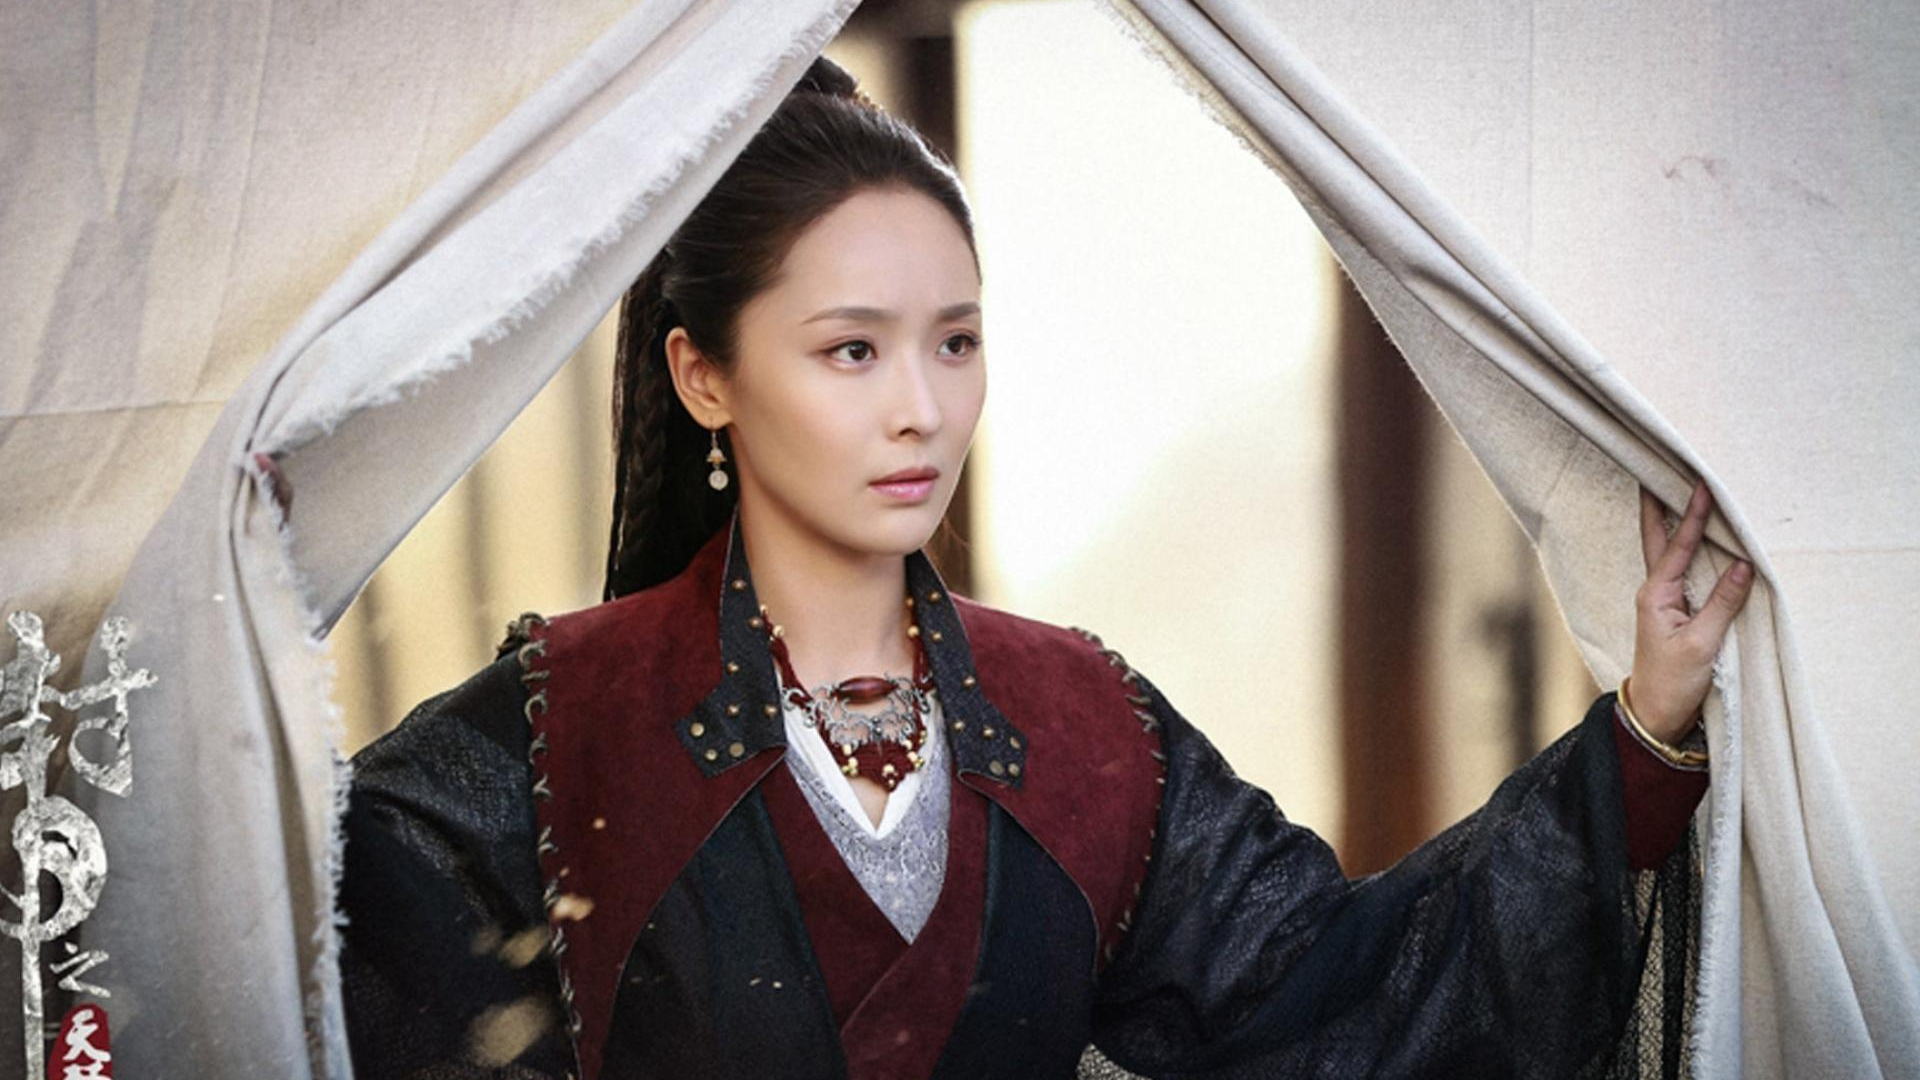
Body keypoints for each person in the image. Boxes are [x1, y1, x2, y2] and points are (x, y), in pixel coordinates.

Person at [336, 55, 1754, 1080]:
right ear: (704, 375)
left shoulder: (1081, 725)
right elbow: (302, 962)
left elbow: (1346, 998)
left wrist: (1644, 730)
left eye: (954, 341)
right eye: (852, 349)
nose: (922, 408)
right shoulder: (556, 729)